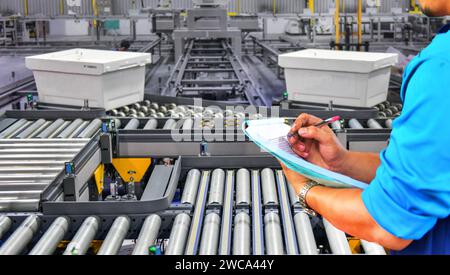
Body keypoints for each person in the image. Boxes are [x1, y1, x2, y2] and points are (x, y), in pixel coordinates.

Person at [281, 0, 450, 255]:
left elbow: (385, 224)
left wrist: (304, 188)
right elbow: (430, 171)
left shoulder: (441, 68)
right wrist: (341, 162)